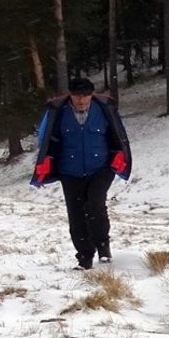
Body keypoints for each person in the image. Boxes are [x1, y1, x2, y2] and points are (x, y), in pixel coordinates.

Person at [29, 77, 132, 270]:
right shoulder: (58, 113)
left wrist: (119, 157)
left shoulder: (104, 110)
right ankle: (84, 257)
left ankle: (103, 247)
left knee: (95, 204)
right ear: (70, 96)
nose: (82, 101)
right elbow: (45, 139)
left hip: (101, 168)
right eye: (77, 96)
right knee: (76, 216)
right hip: (70, 171)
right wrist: (45, 163)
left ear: (92, 95)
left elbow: (119, 135)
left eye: (85, 96)